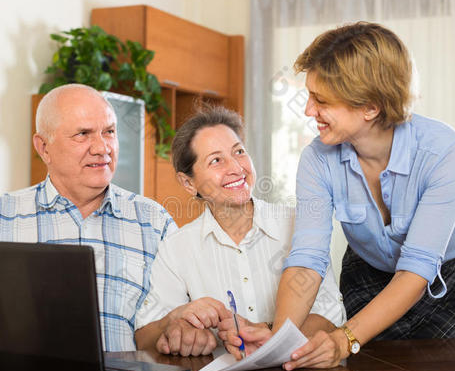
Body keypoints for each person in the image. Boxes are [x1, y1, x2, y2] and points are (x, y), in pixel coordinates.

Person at [223, 22, 455, 368]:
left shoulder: (445, 151)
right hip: (368, 272)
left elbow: (417, 269)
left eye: (321, 101)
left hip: (448, 279)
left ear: (371, 107)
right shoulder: (317, 159)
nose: (308, 111)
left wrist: (345, 339)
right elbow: (307, 258)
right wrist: (281, 337)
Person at [0, 84, 176, 351]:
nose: (102, 147)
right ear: (44, 147)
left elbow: (179, 326)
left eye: (109, 132)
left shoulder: (155, 223)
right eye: (83, 134)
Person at [134, 105, 345, 356]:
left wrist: (264, 329)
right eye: (216, 160)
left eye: (239, 152)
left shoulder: (300, 225)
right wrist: (177, 323)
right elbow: (145, 337)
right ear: (188, 183)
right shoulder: (177, 247)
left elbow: (332, 316)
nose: (236, 167)